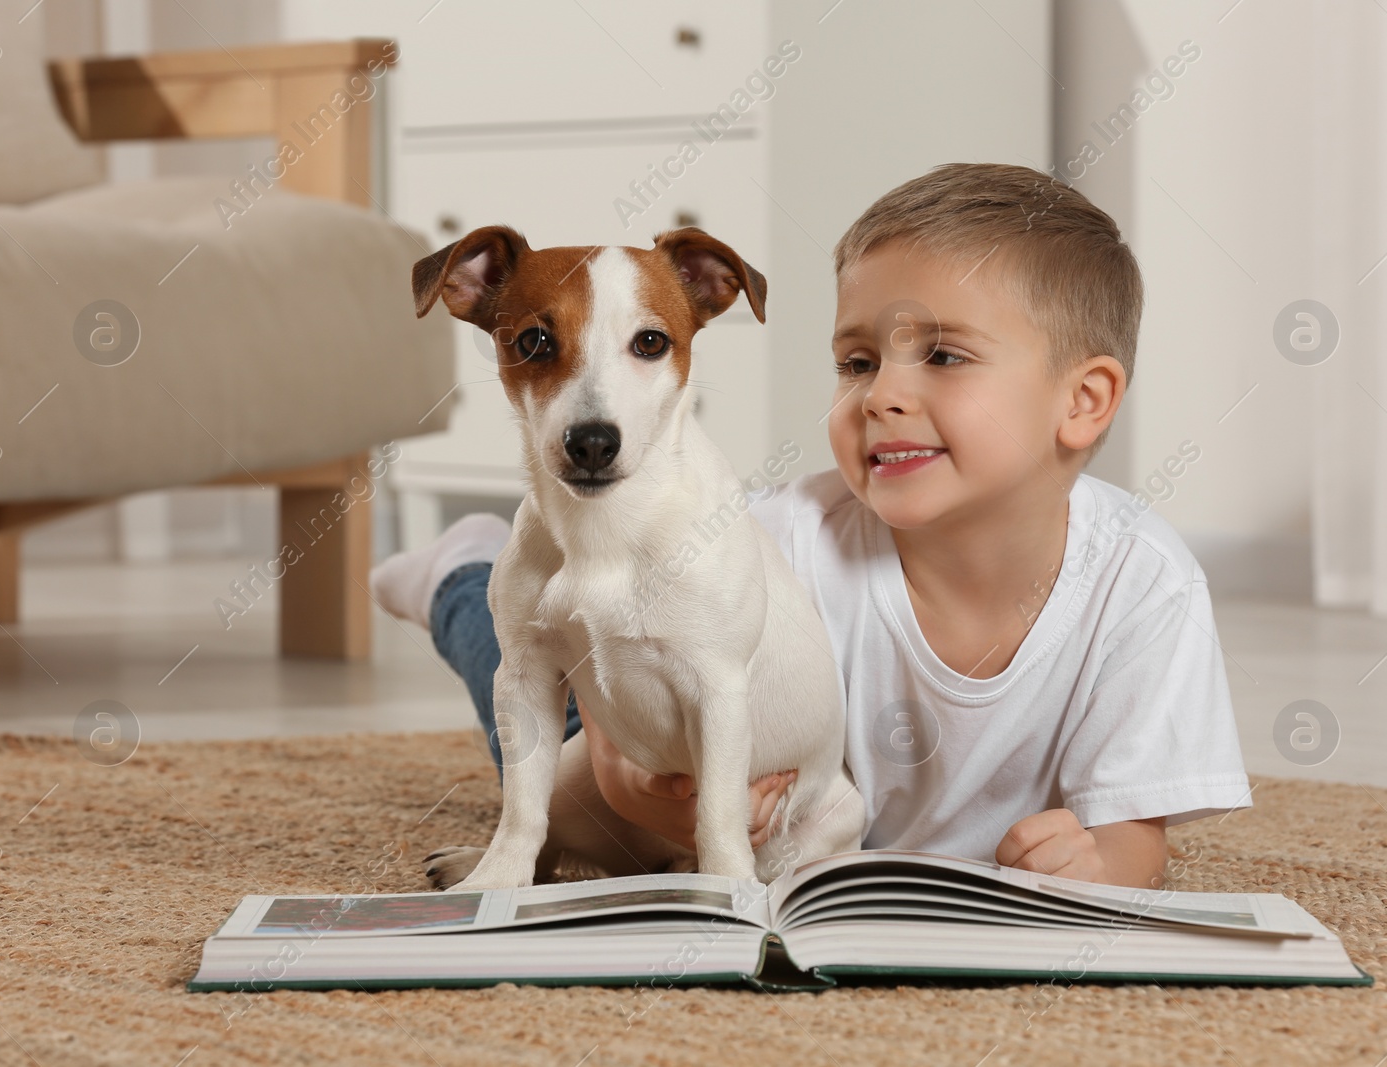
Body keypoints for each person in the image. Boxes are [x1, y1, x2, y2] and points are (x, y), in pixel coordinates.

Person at [371, 162, 1252, 889]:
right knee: (536, 704)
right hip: (652, 727)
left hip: (815, 829)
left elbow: (1138, 838)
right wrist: (634, 790)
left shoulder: (1144, 588)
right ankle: (468, 574)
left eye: (943, 356)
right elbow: (612, 684)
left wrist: (1096, 863)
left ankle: (462, 567)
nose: (883, 394)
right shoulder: (778, 534)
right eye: (856, 361)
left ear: (1083, 400)